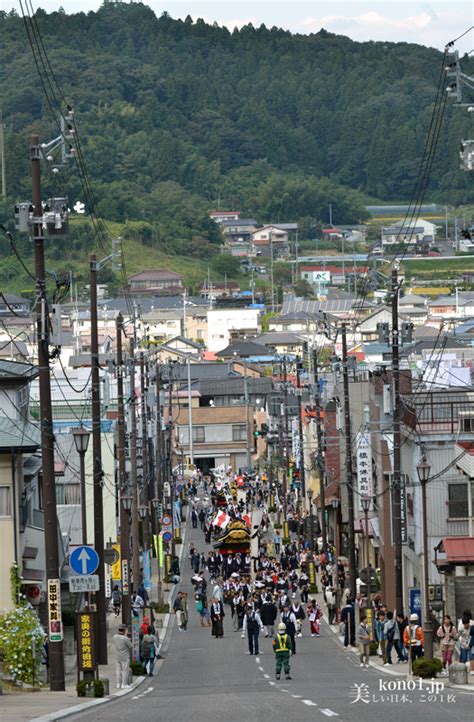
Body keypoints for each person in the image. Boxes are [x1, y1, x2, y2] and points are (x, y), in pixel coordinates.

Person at [113, 625, 132, 689]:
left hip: (117, 656)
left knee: (118, 671)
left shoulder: (115, 637)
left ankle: (118, 684)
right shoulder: (125, 638)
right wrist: (128, 637)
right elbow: (130, 646)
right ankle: (124, 684)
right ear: (124, 630)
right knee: (124, 671)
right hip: (125, 657)